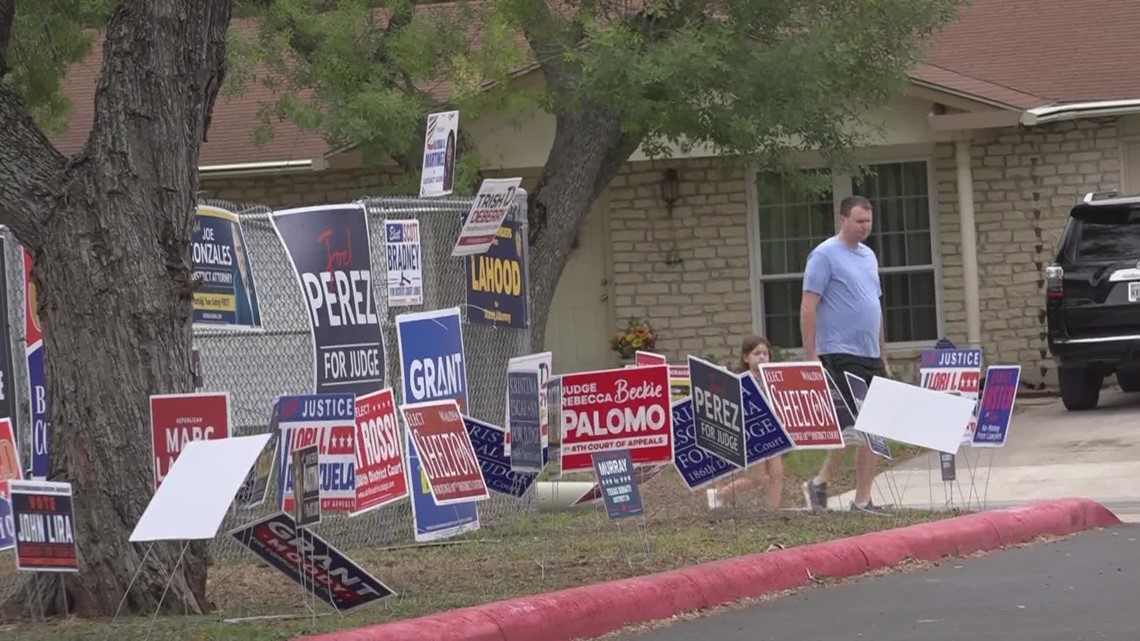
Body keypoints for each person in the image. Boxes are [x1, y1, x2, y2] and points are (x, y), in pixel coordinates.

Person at [800, 195, 890, 515]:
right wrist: (811, 356)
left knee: (870, 427)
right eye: (859, 221)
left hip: (869, 354)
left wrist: (881, 347)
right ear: (843, 220)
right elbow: (809, 305)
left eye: (869, 221)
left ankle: (834, 488)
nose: (865, 227)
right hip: (839, 351)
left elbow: (874, 304)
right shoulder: (825, 255)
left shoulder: (868, 256)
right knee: (859, 428)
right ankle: (854, 497)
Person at [706, 334, 784, 512]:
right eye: (757, 353)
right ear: (745, 358)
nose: (762, 357)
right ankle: (722, 494)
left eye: (765, 353)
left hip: (774, 430)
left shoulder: (775, 379)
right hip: (752, 434)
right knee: (757, 478)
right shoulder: (739, 381)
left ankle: (772, 511)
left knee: (777, 474)